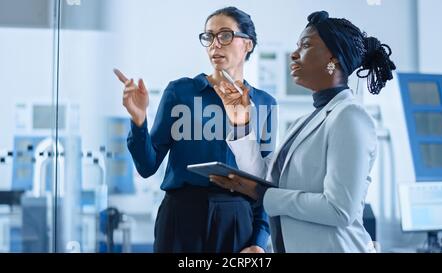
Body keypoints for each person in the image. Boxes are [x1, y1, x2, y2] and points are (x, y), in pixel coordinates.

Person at [210, 10, 396, 252]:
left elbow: (339, 210)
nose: (294, 54)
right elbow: (266, 178)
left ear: (334, 58)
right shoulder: (303, 122)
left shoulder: (350, 117)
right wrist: (241, 123)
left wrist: (264, 195)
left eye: (306, 45)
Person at [114, 6, 277, 253]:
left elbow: (265, 182)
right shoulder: (180, 92)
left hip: (236, 219)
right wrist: (139, 121)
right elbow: (147, 166)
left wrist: (259, 240)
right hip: (180, 217)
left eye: (225, 35)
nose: (215, 44)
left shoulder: (264, 103)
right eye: (208, 37)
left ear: (248, 44)